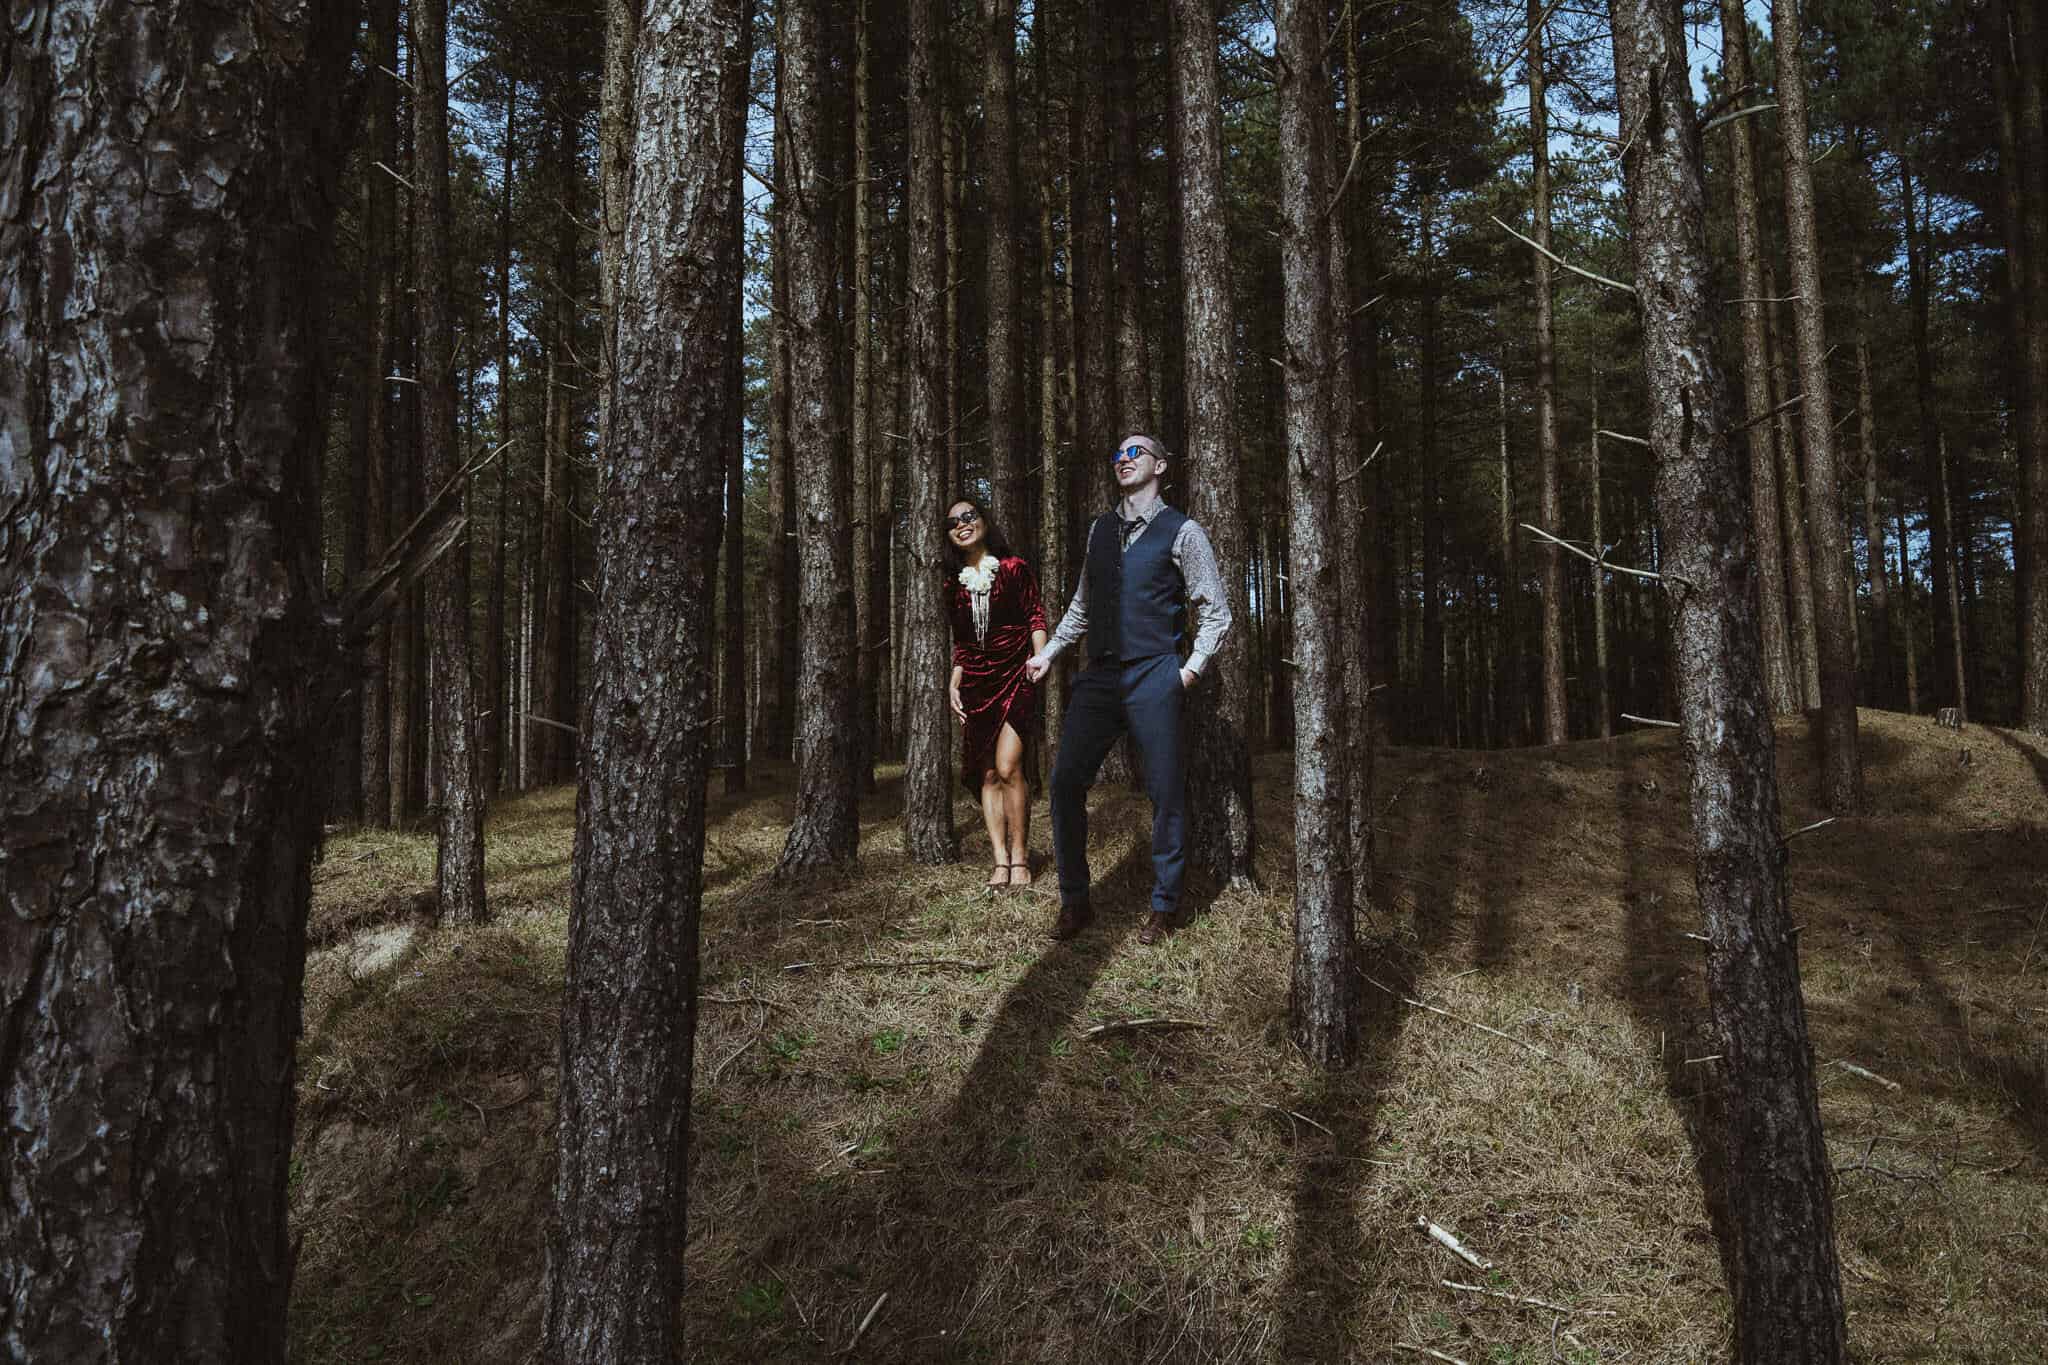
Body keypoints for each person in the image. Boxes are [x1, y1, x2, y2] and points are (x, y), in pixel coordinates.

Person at [1023, 433, 1233, 945]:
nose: (1122, 458)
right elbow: (1081, 607)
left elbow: (1217, 611)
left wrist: (1188, 671)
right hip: (1098, 676)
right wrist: (1048, 654)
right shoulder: (1099, 530)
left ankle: (1164, 905)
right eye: (1116, 453)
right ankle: (1075, 900)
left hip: (1154, 673)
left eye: (1134, 451)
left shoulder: (1182, 532)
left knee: (1164, 791)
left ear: (1161, 465)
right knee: (1067, 780)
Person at [945, 497, 1049, 889]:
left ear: (985, 520)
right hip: (974, 682)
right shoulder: (951, 584)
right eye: (953, 521)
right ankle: (1000, 861)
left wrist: (1041, 658)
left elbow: (1035, 615)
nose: (962, 524)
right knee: (988, 774)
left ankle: (1021, 856)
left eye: (969, 516)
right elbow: (961, 641)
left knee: (1009, 767)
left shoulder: (1014, 568)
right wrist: (955, 680)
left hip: (1016, 675)